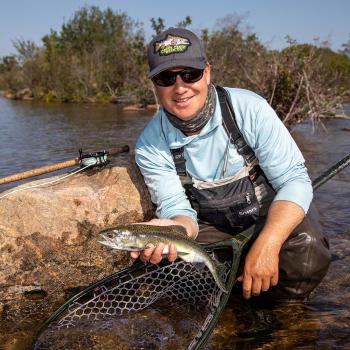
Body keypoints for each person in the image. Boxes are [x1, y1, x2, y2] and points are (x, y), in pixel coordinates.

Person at [131, 27, 330, 302]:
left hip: (267, 214)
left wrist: (268, 244)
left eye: (190, 74)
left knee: (307, 252)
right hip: (211, 226)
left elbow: (294, 180)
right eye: (166, 77)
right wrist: (172, 232)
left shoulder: (250, 108)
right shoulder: (149, 145)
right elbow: (180, 212)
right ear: (155, 85)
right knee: (171, 268)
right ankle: (235, 295)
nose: (179, 87)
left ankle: (276, 309)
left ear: (208, 72)